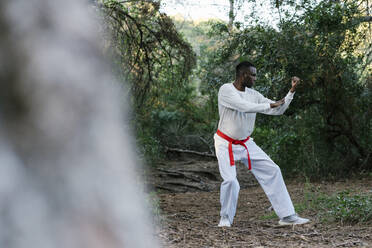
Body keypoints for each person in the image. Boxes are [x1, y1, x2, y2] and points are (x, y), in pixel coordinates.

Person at [214, 61, 310, 227]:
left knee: (273, 170)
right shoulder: (226, 90)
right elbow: (243, 106)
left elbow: (277, 109)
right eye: (253, 75)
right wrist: (269, 104)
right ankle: (225, 219)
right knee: (230, 181)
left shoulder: (254, 94)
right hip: (225, 142)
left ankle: (287, 216)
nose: (255, 78)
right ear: (243, 75)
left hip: (246, 143)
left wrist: (291, 92)